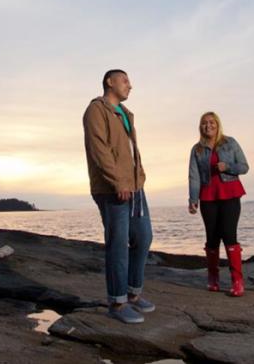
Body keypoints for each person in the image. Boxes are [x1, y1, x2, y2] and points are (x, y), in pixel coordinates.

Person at [83, 69, 154, 324]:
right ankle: (117, 301)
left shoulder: (126, 114)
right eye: (125, 80)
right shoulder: (96, 110)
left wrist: (139, 177)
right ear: (109, 82)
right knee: (118, 241)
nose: (130, 86)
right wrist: (117, 181)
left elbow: (132, 151)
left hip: (135, 186)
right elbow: (99, 149)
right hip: (111, 188)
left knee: (144, 236)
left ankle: (133, 294)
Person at [188, 112, 249, 296]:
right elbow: (194, 176)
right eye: (204, 123)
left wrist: (228, 166)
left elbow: (244, 166)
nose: (208, 126)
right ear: (201, 127)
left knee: (229, 234)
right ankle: (213, 279)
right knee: (212, 238)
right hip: (208, 196)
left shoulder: (230, 142)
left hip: (230, 192)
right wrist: (193, 200)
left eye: (212, 122)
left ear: (217, 124)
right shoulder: (196, 150)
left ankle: (237, 281)